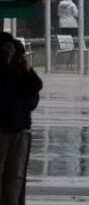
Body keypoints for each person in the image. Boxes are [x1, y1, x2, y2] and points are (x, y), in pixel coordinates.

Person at [0, 33, 43, 205]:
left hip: (20, 129)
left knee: (16, 177)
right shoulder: (4, 71)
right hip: (4, 129)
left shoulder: (21, 71)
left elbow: (36, 86)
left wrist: (26, 67)